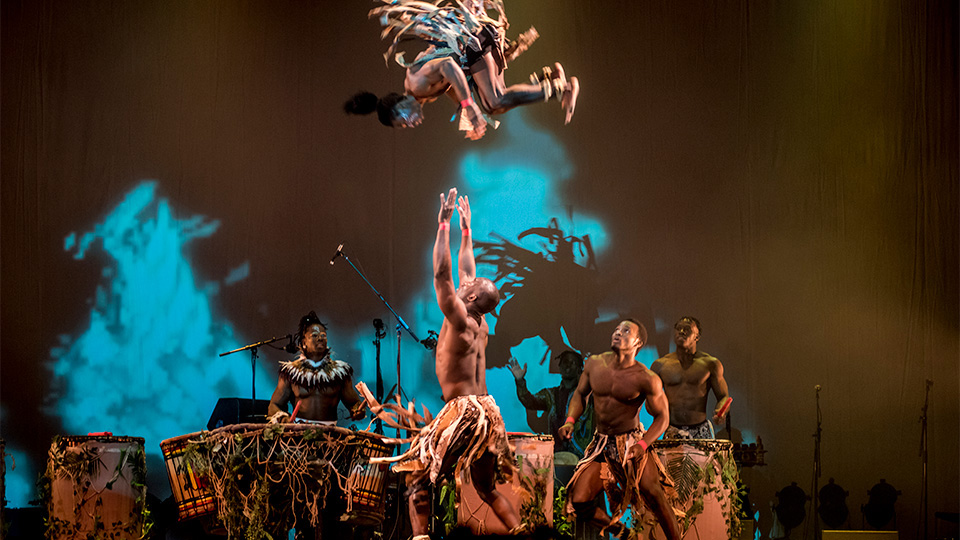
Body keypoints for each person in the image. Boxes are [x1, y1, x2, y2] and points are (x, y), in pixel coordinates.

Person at [387, 188, 521, 539]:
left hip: (462, 412)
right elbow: (465, 269)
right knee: (487, 489)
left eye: (472, 284)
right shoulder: (480, 320)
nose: (468, 279)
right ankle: (523, 534)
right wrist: (467, 231)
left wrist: (443, 226)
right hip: (487, 410)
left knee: (416, 479)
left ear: (472, 296)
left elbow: (442, 275)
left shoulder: (459, 317)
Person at [346, 0, 579, 140]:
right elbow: (450, 84)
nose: (411, 124)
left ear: (399, 107)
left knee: (494, 101)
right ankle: (548, 82)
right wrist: (467, 112)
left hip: (474, 40)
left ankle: (562, 88)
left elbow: (448, 66)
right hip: (474, 48)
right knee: (492, 106)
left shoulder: (416, 82)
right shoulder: (420, 95)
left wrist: (469, 107)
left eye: (404, 121)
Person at [559, 320, 682, 540]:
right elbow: (580, 394)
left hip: (630, 443)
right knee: (579, 501)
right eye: (617, 329)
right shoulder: (595, 364)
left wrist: (643, 445)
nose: (618, 333)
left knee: (654, 495)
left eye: (626, 331)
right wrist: (570, 420)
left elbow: (663, 417)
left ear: (638, 342)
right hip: (602, 445)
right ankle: (625, 534)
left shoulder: (647, 378)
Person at [268, 311, 366, 424]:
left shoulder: (340, 373)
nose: (320, 338)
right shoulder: (291, 373)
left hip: (330, 435)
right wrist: (284, 419)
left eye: (323, 335)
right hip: (299, 435)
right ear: (304, 342)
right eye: (314, 335)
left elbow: (354, 403)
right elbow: (274, 405)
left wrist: (358, 410)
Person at [650, 317, 731, 439]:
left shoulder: (710, 364)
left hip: (700, 430)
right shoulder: (660, 365)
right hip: (672, 429)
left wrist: (721, 411)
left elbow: (723, 396)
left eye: (687, 329)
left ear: (697, 337)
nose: (681, 331)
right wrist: (655, 411)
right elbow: (650, 397)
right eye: (679, 329)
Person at [507, 350, 594, 458]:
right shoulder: (550, 394)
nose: (567, 365)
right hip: (555, 453)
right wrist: (520, 381)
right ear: (560, 367)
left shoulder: (588, 396)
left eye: (572, 362)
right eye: (564, 362)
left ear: (580, 368)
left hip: (581, 455)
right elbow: (529, 402)